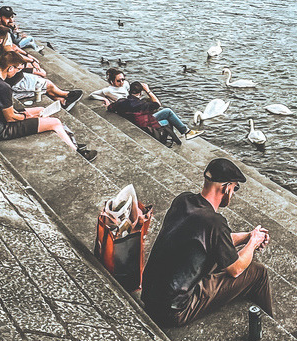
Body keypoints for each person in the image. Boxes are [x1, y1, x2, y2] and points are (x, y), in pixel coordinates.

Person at [142, 158, 273, 327]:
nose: (233, 193)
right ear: (226, 188)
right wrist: (253, 243)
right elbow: (236, 269)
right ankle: (269, 325)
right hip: (173, 310)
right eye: (235, 188)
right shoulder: (214, 222)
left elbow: (213, 240)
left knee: (221, 259)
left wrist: (248, 236)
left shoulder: (183, 200)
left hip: (150, 297)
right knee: (257, 272)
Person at [0, 49, 97, 161]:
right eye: (18, 69)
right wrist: (27, 116)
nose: (18, 72)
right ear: (10, 68)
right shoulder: (3, 87)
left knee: (41, 109)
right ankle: (77, 153)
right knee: (54, 122)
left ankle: (69, 140)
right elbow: (11, 118)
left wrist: (30, 114)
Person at [0, 26, 81, 109]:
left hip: (5, 82)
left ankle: (62, 101)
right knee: (47, 84)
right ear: (0, 41)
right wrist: (9, 49)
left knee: (41, 86)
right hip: (14, 82)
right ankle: (67, 95)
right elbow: (16, 65)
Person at [108, 81, 202, 145]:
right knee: (167, 118)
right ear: (140, 93)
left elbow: (110, 107)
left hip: (137, 121)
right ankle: (183, 133)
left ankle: (185, 132)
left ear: (129, 91)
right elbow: (158, 104)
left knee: (167, 111)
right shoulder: (143, 105)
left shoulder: (121, 102)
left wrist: (106, 102)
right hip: (145, 127)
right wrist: (148, 91)